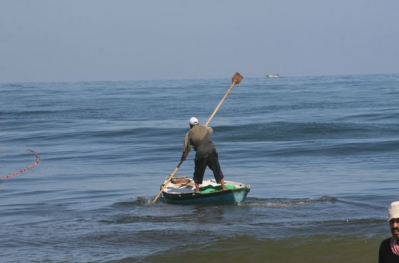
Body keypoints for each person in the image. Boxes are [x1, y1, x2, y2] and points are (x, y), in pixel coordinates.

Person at [181, 117, 227, 193]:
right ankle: (223, 187)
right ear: (198, 123)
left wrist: (183, 157)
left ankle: (197, 190)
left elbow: (185, 147)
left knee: (198, 172)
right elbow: (211, 130)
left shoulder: (189, 134)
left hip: (201, 153)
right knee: (217, 169)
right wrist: (205, 128)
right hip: (212, 150)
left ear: (190, 125)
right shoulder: (205, 128)